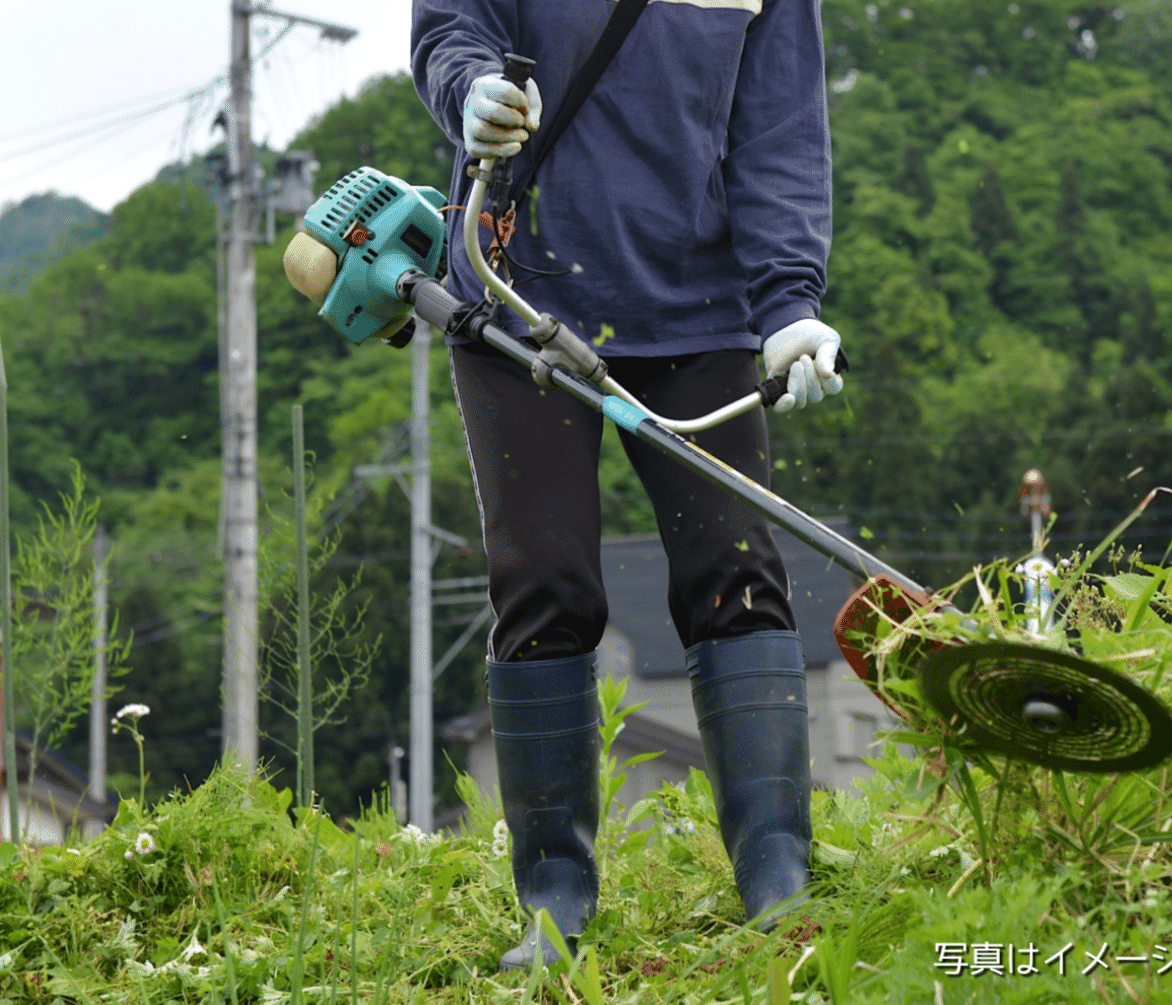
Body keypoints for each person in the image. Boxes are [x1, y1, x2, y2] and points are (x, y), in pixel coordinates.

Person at [412, 0, 844, 970]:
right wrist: (469, 92)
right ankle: (556, 899)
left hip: (700, 309)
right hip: (522, 292)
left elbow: (777, 127)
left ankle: (778, 876)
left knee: (735, 574)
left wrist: (789, 304)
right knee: (544, 583)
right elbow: (452, 27)